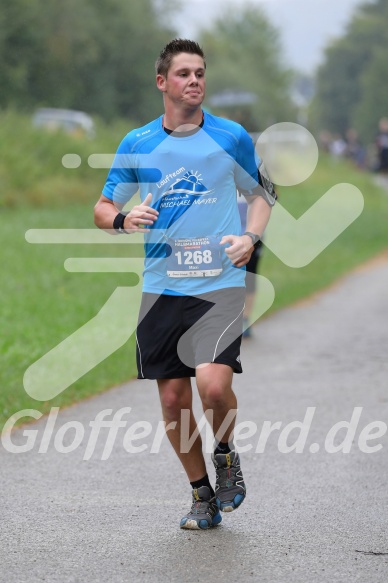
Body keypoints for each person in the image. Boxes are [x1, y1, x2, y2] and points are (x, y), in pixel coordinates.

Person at [94, 39, 276, 530]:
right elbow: (103, 206)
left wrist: (250, 236)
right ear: (162, 82)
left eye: (200, 73)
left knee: (212, 385)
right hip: (160, 288)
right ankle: (201, 495)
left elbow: (262, 194)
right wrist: (123, 218)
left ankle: (224, 455)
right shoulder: (138, 143)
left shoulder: (230, 136)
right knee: (173, 399)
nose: (194, 81)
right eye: (183, 74)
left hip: (217, 284)